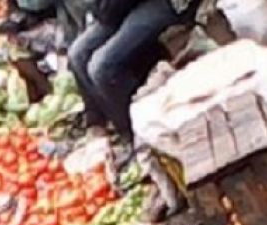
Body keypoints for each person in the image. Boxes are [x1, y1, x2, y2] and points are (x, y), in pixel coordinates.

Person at [68, 0, 199, 140]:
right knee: (78, 54)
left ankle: (139, 134)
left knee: (102, 67)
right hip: (126, 7)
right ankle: (108, 126)